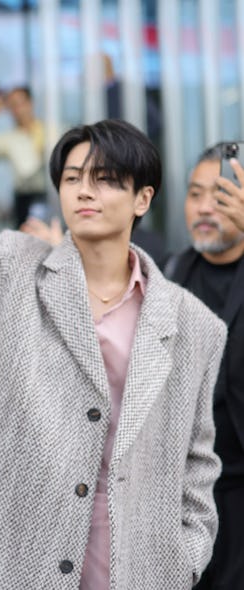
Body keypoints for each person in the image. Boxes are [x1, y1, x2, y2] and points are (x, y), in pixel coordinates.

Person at [0, 16, 225, 589]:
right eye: (73, 176)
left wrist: (185, 556)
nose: (84, 189)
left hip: (131, 567)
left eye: (105, 179)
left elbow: (197, 464)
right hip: (1, 555)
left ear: (143, 198)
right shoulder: (11, 268)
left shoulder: (193, 322)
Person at [168, 143, 244, 590]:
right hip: (186, 496)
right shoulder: (170, 275)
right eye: (195, 194)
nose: (204, 208)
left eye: (221, 196)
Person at [0, 85, 47, 227]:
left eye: (20, 103)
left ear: (30, 103)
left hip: (48, 196)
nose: (18, 109)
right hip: (24, 199)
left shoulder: (47, 129)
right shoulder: (9, 139)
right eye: (12, 106)